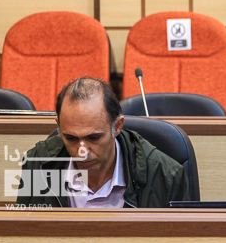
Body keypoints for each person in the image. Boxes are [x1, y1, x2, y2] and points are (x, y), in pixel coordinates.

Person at [16, 77, 190, 207]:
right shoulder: (36, 164)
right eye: (71, 138)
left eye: (93, 138)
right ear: (59, 126)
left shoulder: (165, 175)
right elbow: (23, 233)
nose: (82, 152)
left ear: (117, 126)